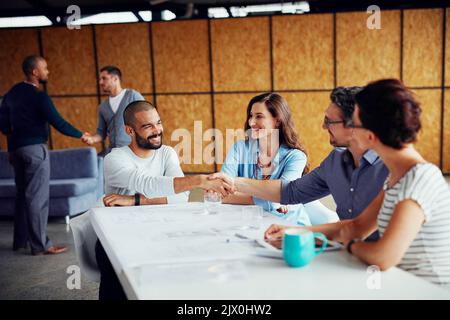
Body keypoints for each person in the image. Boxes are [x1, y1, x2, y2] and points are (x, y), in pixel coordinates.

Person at [265, 79, 450, 288]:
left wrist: (350, 245)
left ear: (370, 135)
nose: (351, 129)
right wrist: (299, 232)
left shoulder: (419, 178)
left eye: (354, 122)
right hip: (398, 284)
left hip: (428, 290)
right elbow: (357, 226)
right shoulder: (398, 176)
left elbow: (382, 256)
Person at [210, 87, 388, 240]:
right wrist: (233, 182)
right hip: (347, 252)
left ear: (354, 124)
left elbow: (374, 247)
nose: (323, 127)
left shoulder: (391, 168)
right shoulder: (334, 162)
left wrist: (234, 186)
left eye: (329, 121)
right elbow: (291, 191)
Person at [95, 100, 232, 300]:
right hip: (117, 237)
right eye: (147, 126)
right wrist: (199, 181)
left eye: (158, 123)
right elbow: (148, 184)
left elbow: (181, 198)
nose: (157, 130)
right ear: (129, 131)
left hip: (155, 232)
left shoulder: (166, 153)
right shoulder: (115, 159)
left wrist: (135, 201)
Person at [0, 55, 90, 255]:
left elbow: (4, 126)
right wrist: (81, 134)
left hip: (14, 151)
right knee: (37, 198)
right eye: (45, 68)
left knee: (22, 195)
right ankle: (41, 245)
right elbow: (58, 122)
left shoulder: (10, 95)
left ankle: (20, 242)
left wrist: (17, 138)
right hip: (34, 151)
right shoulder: (39, 96)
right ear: (35, 72)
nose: (47, 72)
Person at [221, 92, 337, 226]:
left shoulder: (295, 156)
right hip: (246, 224)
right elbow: (221, 190)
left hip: (288, 228)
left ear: (277, 120)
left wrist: (240, 194)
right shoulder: (240, 148)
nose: (251, 122)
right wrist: (269, 200)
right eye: (251, 116)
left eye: (259, 116)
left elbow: (284, 195)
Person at [82, 66, 144, 155]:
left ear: (115, 78)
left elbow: (147, 121)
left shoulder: (133, 96)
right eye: (100, 79)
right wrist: (92, 139)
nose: (100, 82)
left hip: (134, 152)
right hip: (114, 153)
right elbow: (101, 133)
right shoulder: (102, 107)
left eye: (104, 78)